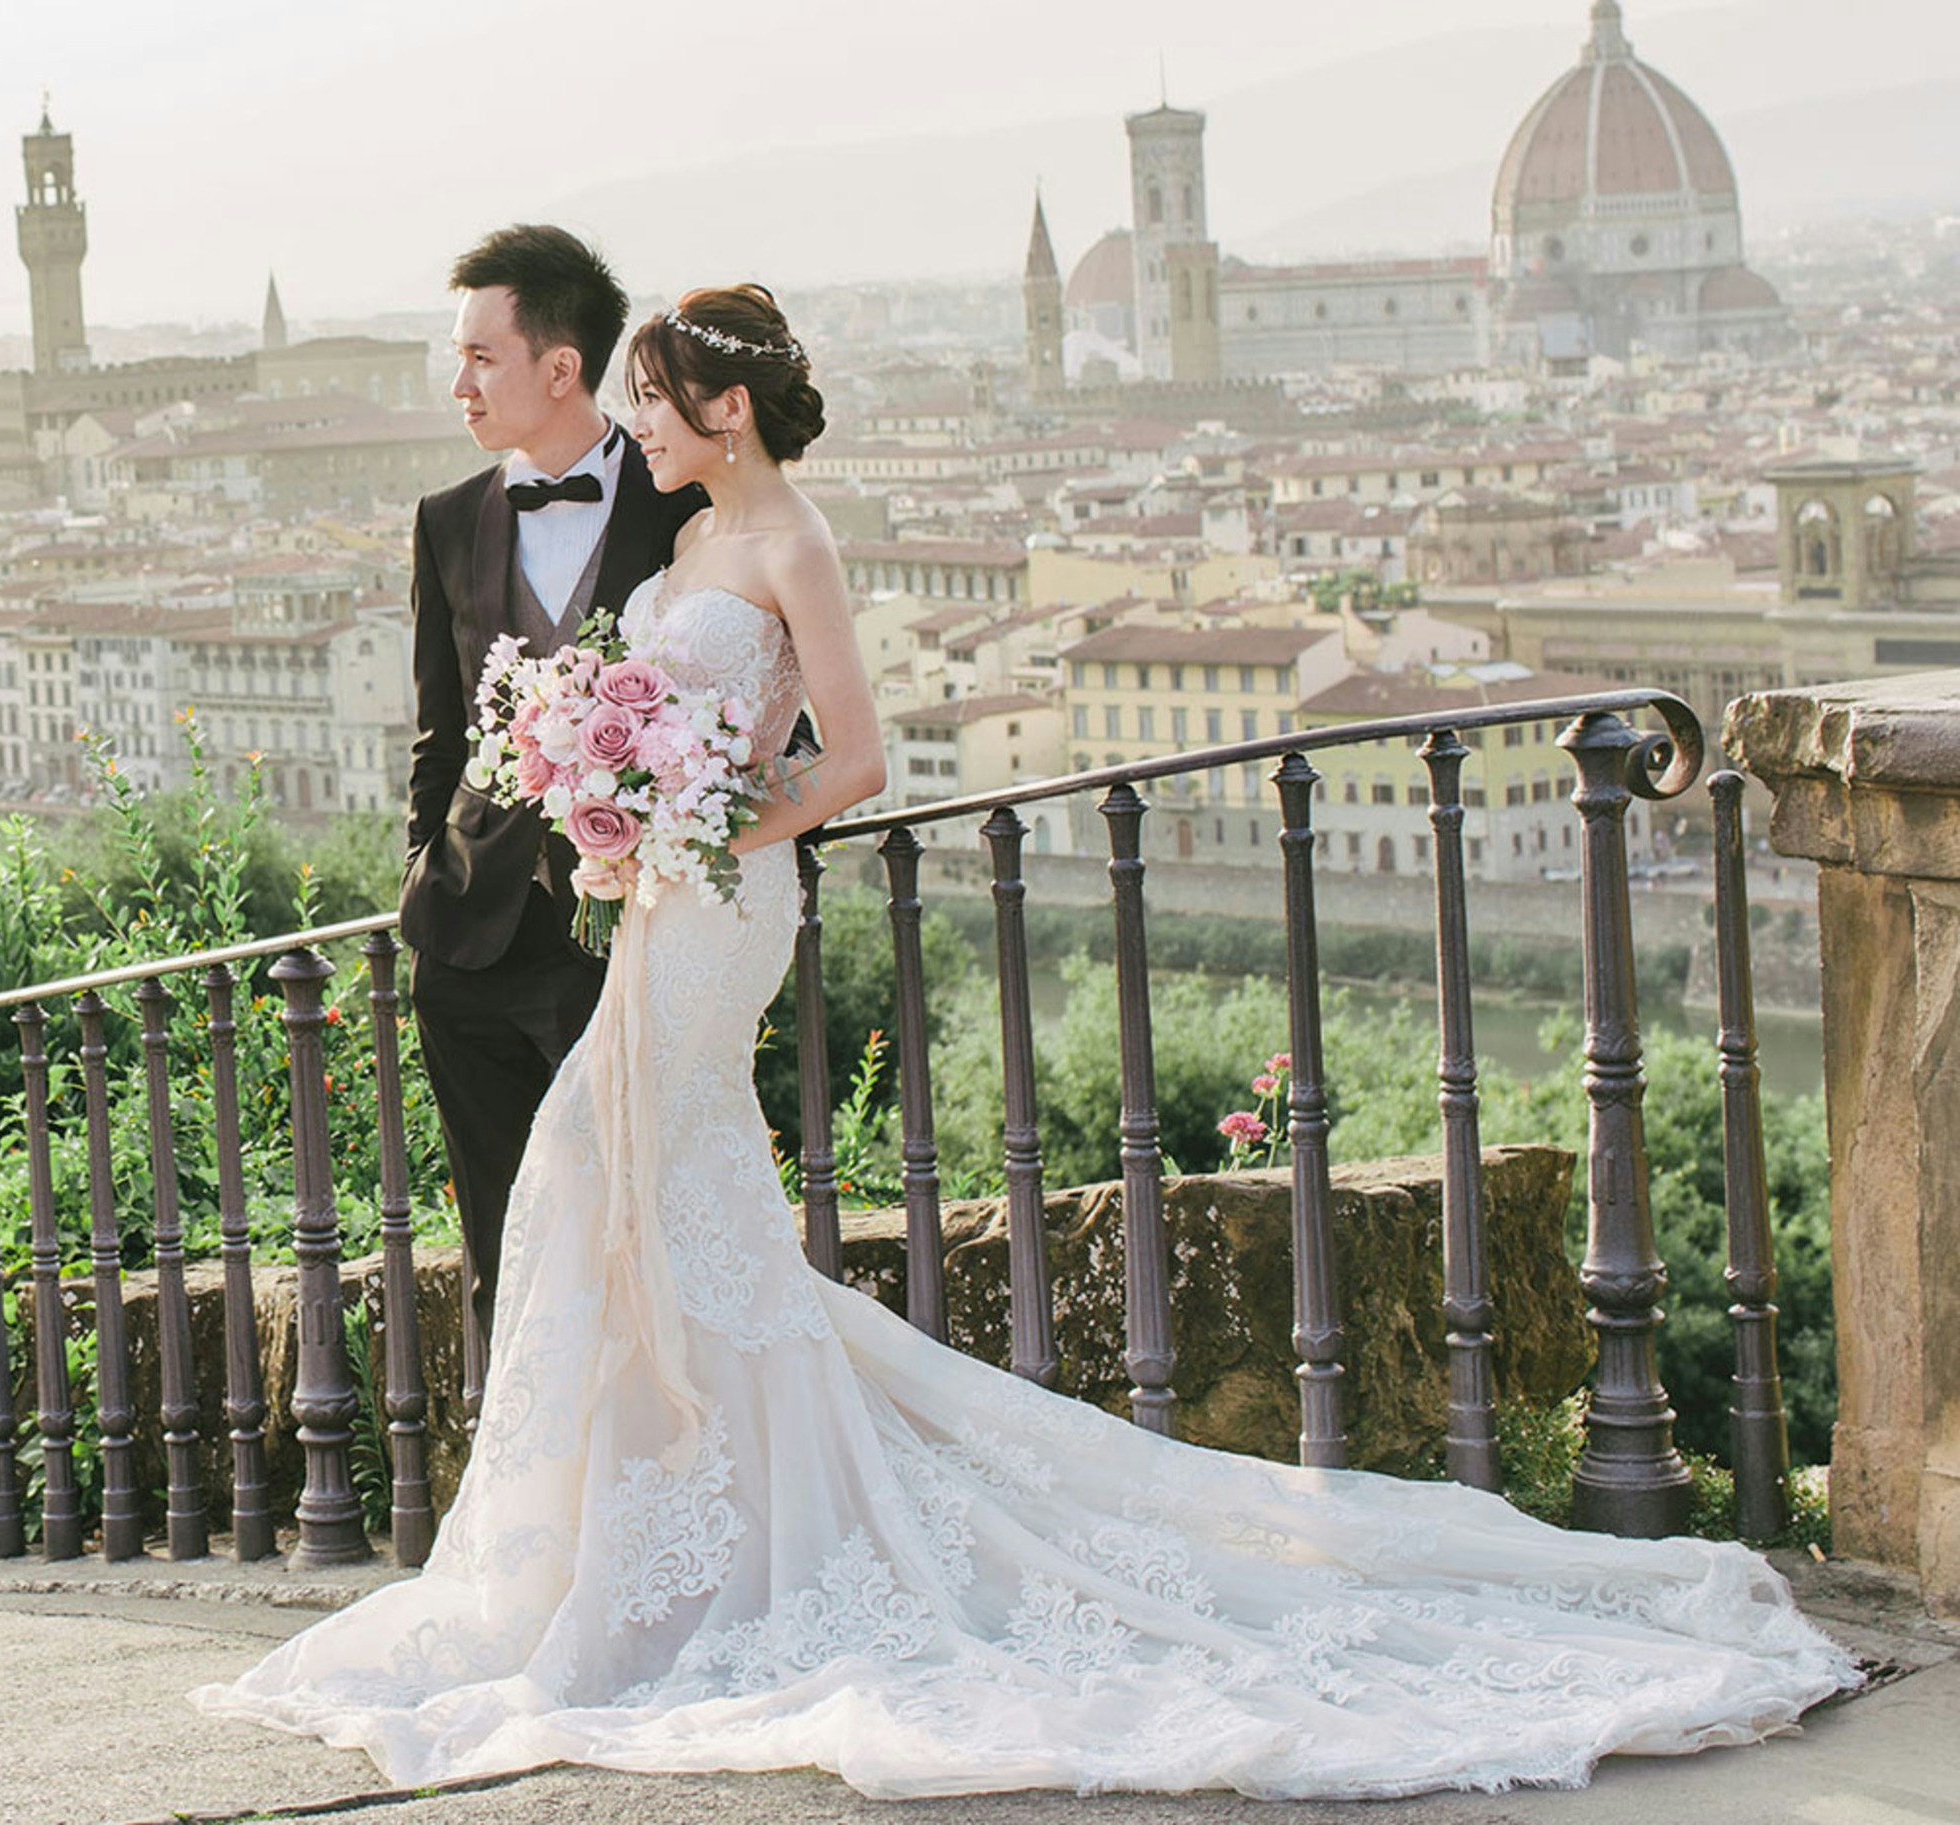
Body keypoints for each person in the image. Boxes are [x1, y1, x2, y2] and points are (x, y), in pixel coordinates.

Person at [196, 285, 1856, 1801]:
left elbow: (852, 759)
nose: (629, 422)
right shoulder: (694, 544)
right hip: (664, 901)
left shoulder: (792, 546)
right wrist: (622, 810)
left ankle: (713, 1541)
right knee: (624, 1196)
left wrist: (696, 817)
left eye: (651, 397)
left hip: (721, 905)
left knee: (648, 1195)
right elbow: (660, 721)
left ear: (729, 412)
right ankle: (671, 1536)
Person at [398, 225, 704, 1390]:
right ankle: (529, 1517)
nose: (461, 382)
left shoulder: (683, 508)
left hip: (622, 944)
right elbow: (439, 732)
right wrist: (422, 886)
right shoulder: (445, 518)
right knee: (503, 1245)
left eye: (481, 355)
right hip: (469, 942)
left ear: (560, 368)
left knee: (642, 1235)